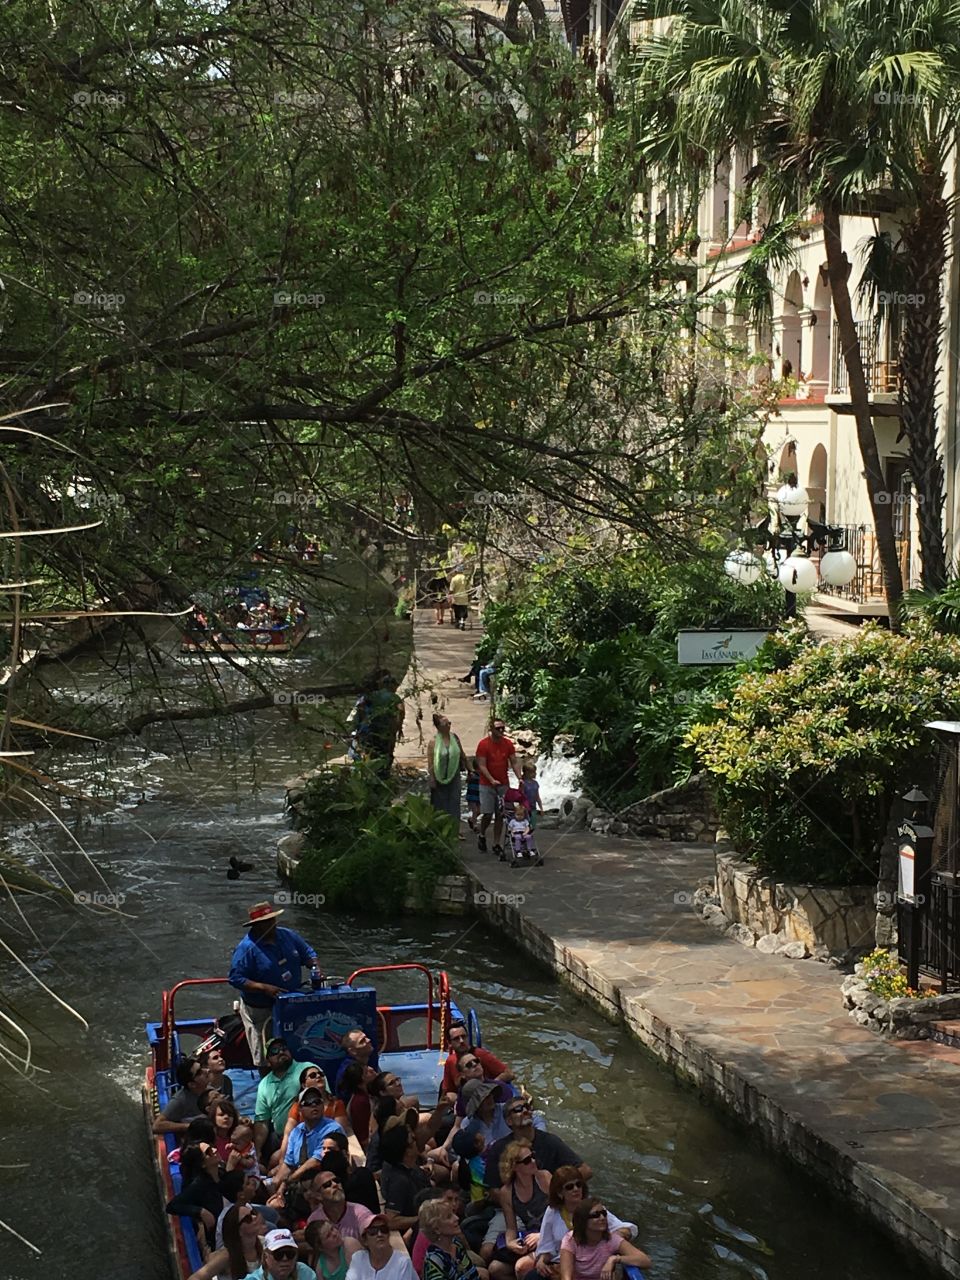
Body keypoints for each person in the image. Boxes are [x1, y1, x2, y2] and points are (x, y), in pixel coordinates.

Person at [229, 901, 320, 1065]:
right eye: (266, 922)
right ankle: (267, 1084)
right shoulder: (246, 948)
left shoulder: (287, 935)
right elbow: (236, 978)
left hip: (290, 1002)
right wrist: (263, 988)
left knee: (295, 1044)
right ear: (256, 926)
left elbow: (308, 952)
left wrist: (314, 966)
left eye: (272, 920)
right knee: (265, 1054)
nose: (272, 925)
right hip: (261, 1009)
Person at [535, 1172, 637, 1279]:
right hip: (559, 1263)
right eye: (570, 1187)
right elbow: (546, 1246)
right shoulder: (554, 1213)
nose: (576, 1189)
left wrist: (610, 1245)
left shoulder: (594, 1209)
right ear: (560, 1193)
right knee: (526, 1270)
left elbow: (626, 1230)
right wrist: (542, 1260)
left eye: (579, 1185)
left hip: (588, 1266)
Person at [483, 1104, 591, 1197]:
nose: (525, 1111)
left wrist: (558, 1189)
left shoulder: (550, 1141)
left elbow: (585, 1170)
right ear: (509, 1121)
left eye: (527, 1107)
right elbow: (493, 1189)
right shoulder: (499, 1148)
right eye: (518, 1109)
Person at [486, 1143, 550, 1280]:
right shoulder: (507, 1192)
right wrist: (510, 1243)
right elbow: (511, 1227)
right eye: (527, 1160)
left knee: (521, 1267)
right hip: (530, 1239)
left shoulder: (545, 1178)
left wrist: (542, 1235)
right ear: (514, 1167)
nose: (533, 1161)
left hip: (551, 1236)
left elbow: (563, 1214)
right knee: (495, 1269)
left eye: (533, 1156)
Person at [271, 1087, 347, 1195]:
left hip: (326, 1183)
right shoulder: (296, 1131)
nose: (314, 1105)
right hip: (300, 1182)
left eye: (317, 1101)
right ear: (300, 1109)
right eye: (308, 1103)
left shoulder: (332, 1128)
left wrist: (289, 1180)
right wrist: (277, 1184)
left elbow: (315, 1161)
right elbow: (288, 1164)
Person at [254, 1038, 317, 1161]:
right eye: (274, 1051)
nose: (281, 1052)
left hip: (309, 1135)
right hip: (279, 1138)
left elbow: (324, 1100)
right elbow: (262, 1121)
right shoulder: (264, 1084)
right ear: (268, 1061)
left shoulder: (308, 1069)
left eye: (283, 1048)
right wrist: (257, 1150)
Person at [558, 1199, 650, 1280]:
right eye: (596, 1215)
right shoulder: (570, 1241)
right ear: (583, 1220)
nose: (602, 1218)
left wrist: (615, 1259)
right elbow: (566, 1277)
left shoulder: (611, 1240)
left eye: (604, 1213)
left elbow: (645, 1260)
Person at [279, 1067, 352, 1162]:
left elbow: (340, 1136)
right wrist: (281, 1161)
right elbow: (288, 1134)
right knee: (275, 1160)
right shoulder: (297, 1106)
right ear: (304, 1085)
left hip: (326, 1152)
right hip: (301, 1145)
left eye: (321, 1074)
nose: (318, 1076)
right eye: (313, 1075)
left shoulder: (336, 1105)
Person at [166, 1141, 230, 1248]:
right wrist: (201, 1211)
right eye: (208, 1152)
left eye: (212, 1147)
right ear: (203, 1164)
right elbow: (172, 1206)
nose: (214, 1150)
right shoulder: (200, 1185)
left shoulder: (221, 1172)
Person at [475, 721, 521, 859]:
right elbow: (481, 765)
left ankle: (496, 843)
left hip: (503, 783)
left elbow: (513, 761)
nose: (501, 730)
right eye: (498, 728)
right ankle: (482, 834)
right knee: (488, 814)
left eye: (503, 728)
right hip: (486, 784)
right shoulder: (483, 744)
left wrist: (520, 777)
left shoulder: (507, 744)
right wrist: (491, 780)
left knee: (501, 814)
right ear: (491, 729)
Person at [186, 1203, 269, 1280]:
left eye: (252, 1213)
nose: (254, 1217)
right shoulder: (226, 1256)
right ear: (238, 1230)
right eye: (247, 1218)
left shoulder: (264, 1243)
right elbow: (196, 1277)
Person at [380, 1121, 433, 1234]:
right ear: (407, 1151)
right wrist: (425, 1218)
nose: (417, 1140)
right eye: (413, 1140)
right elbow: (391, 1221)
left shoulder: (409, 1166)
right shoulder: (400, 1181)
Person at [441, 1023, 514, 1102]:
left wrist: (490, 1087)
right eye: (456, 1039)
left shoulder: (481, 1055)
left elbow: (509, 1074)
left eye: (464, 1037)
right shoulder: (450, 1061)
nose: (461, 1041)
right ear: (449, 1043)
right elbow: (449, 1090)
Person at [419, 1197, 485, 1280]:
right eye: (449, 1217)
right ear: (437, 1229)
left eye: (453, 1213)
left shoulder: (457, 1245)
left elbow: (473, 1275)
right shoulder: (434, 1261)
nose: (456, 1218)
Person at [306, 1166, 376, 1237]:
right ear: (318, 1196)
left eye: (337, 1180)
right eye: (327, 1184)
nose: (335, 1185)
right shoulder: (314, 1220)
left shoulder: (361, 1213)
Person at [357, 674, 405, 779]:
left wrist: (361, 723)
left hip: (371, 729)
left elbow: (360, 706)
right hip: (386, 731)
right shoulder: (395, 697)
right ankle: (384, 775)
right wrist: (398, 727)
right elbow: (401, 711)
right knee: (386, 753)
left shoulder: (372, 695)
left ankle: (369, 775)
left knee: (370, 751)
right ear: (391, 686)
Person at [428, 713, 467, 835]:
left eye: (449, 723)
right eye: (446, 724)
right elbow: (430, 762)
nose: (449, 726)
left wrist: (470, 770)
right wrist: (432, 778)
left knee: (454, 802)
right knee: (440, 803)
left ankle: (455, 829)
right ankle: (440, 830)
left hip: (454, 774)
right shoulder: (433, 742)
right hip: (439, 775)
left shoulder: (454, 737)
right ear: (439, 727)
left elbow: (462, 754)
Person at [346, 1214, 417, 1280]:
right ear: (365, 1240)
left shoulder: (403, 1262)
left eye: (383, 1229)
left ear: (388, 1235)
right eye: (373, 1231)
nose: (379, 1234)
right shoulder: (358, 1258)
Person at [153, 1056, 210, 1136]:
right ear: (192, 1084)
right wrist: (190, 1126)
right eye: (199, 1072)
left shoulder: (210, 1090)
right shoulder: (180, 1100)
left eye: (202, 1067)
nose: (207, 1071)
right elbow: (157, 1126)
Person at [248, 1227, 316, 1280]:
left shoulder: (304, 1272)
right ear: (266, 1256)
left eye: (290, 1254)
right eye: (278, 1254)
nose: (285, 1259)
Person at [520, 764, 543, 832]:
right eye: (533, 772)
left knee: (532, 826)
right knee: (525, 826)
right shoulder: (523, 783)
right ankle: (524, 840)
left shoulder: (535, 783)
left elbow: (537, 797)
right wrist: (522, 807)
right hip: (525, 809)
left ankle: (528, 837)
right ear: (527, 773)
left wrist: (541, 808)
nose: (535, 773)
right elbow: (521, 796)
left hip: (533, 808)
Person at [465, 760, 481, 834]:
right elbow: (467, 781)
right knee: (474, 810)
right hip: (472, 795)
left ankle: (471, 820)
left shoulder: (483, 776)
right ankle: (475, 825)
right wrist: (469, 775)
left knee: (479, 811)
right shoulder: (473, 775)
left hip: (479, 795)